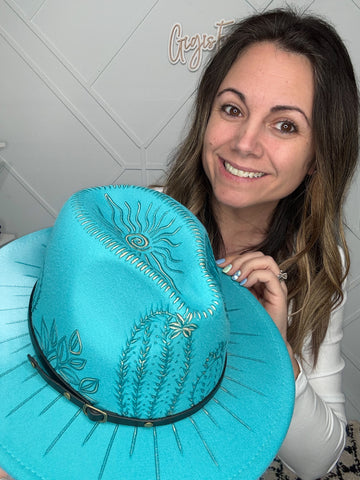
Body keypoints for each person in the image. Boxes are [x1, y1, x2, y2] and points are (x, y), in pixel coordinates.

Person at [162, 8, 359, 480]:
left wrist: (272, 348)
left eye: (285, 125)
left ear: (318, 157)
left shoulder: (320, 264)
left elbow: (318, 462)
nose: (245, 143)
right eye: (232, 109)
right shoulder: (142, 224)